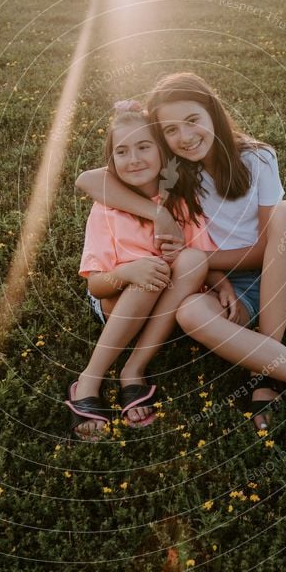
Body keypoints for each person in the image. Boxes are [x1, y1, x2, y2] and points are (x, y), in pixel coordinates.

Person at [76, 76, 286, 454]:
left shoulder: (257, 158)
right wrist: (161, 218)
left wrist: (198, 263)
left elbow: (268, 248)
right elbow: (90, 179)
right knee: (190, 313)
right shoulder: (177, 171)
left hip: (284, 274)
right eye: (170, 130)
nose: (185, 136)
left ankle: (264, 375)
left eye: (192, 119)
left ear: (213, 112)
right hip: (224, 286)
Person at [69, 99, 233, 440]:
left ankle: (133, 369)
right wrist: (129, 273)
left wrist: (222, 283)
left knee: (190, 258)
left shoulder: (181, 202)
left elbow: (201, 255)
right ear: (111, 161)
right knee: (150, 272)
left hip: (167, 306)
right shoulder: (106, 211)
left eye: (144, 147)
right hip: (117, 305)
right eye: (123, 151)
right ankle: (90, 378)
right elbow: (97, 286)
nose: (134, 159)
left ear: (162, 153)